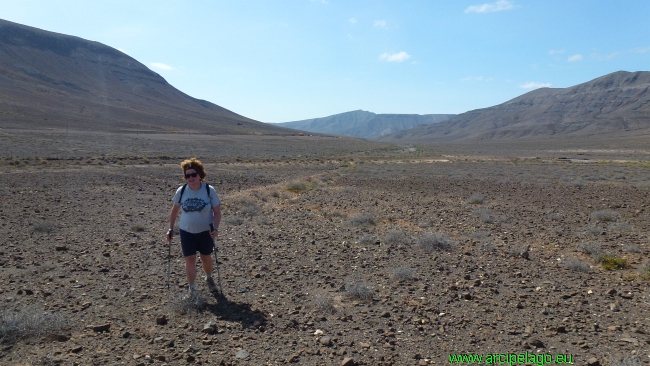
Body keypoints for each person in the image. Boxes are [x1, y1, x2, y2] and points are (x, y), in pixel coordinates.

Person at [166, 158, 222, 293]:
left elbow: (217, 212)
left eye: (193, 174)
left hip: (205, 232)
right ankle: (192, 287)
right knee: (190, 259)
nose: (190, 178)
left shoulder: (209, 190)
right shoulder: (182, 190)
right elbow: (174, 210)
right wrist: (170, 228)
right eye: (187, 175)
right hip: (187, 231)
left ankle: (209, 277)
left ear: (200, 175)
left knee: (206, 257)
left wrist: (215, 228)